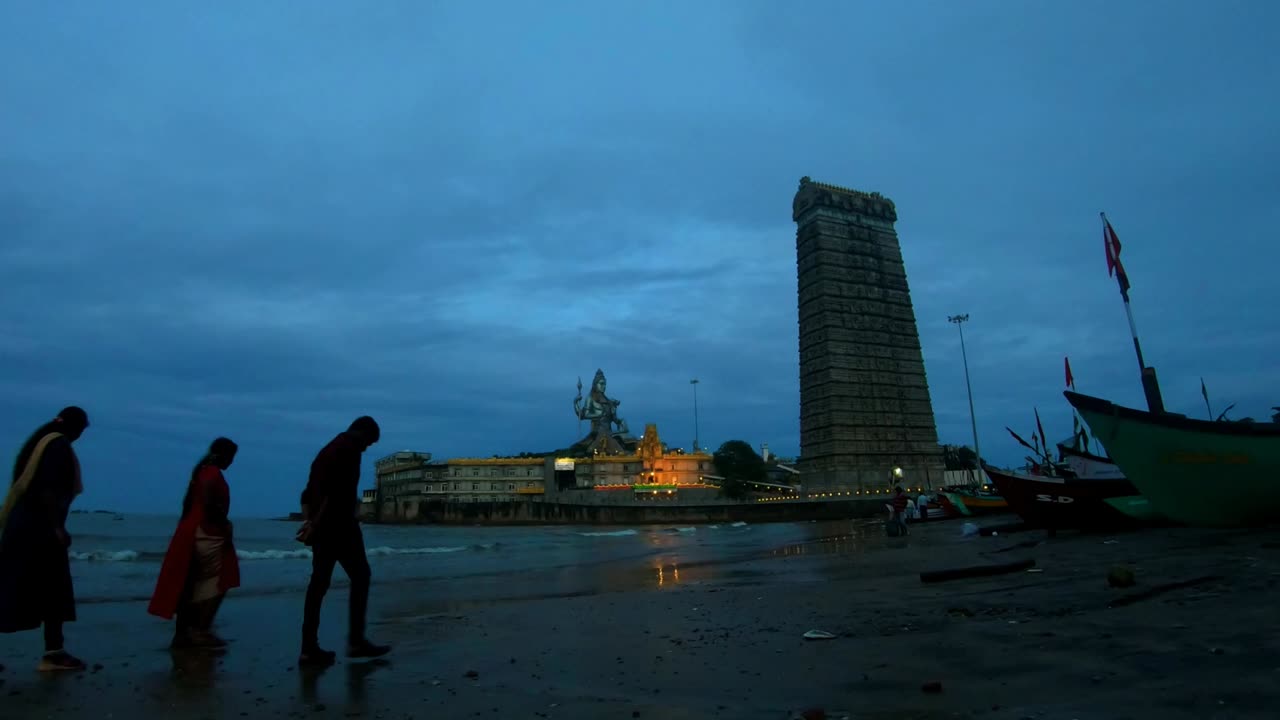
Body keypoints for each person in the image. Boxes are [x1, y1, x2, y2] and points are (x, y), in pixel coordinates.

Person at [0, 406, 90, 672]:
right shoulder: (57, 445)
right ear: (75, 427)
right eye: (81, 431)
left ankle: (54, 651)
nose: (80, 437)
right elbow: (48, 488)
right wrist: (56, 528)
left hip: (26, 525)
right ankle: (54, 653)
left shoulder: (39, 442)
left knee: (15, 587)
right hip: (38, 528)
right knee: (51, 589)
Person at [297, 416, 390, 666]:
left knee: (318, 585)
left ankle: (308, 647)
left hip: (323, 528)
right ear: (362, 433)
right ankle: (356, 641)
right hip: (339, 526)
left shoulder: (326, 451)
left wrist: (310, 522)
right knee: (361, 576)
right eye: (368, 443)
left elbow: (306, 494)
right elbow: (337, 492)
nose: (366, 448)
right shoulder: (349, 450)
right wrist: (330, 520)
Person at [148, 437, 241, 648]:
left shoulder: (200, 471)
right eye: (232, 457)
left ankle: (185, 632)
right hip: (207, 530)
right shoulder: (212, 473)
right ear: (225, 455)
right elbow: (208, 499)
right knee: (222, 578)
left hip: (191, 528)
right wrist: (224, 522)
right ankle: (200, 630)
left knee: (191, 581)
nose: (232, 462)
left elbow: (188, 502)